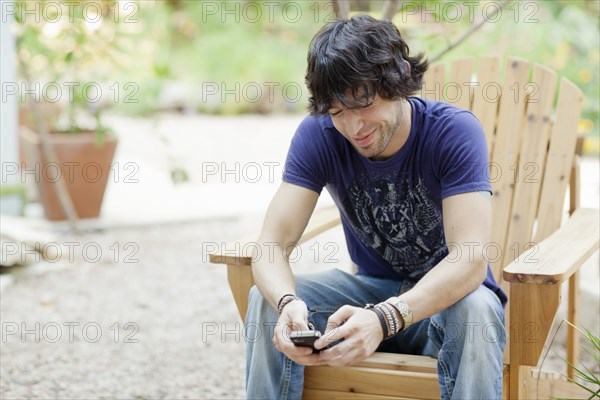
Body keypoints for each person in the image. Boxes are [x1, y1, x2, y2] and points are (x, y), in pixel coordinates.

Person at [245, 15, 507, 400]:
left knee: (477, 310)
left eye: (363, 104)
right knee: (264, 299)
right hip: (367, 295)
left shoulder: (453, 132)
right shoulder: (319, 135)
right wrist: (288, 303)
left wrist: (385, 319)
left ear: (398, 80)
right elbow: (270, 246)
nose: (353, 127)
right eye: (337, 111)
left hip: (444, 307)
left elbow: (468, 261)